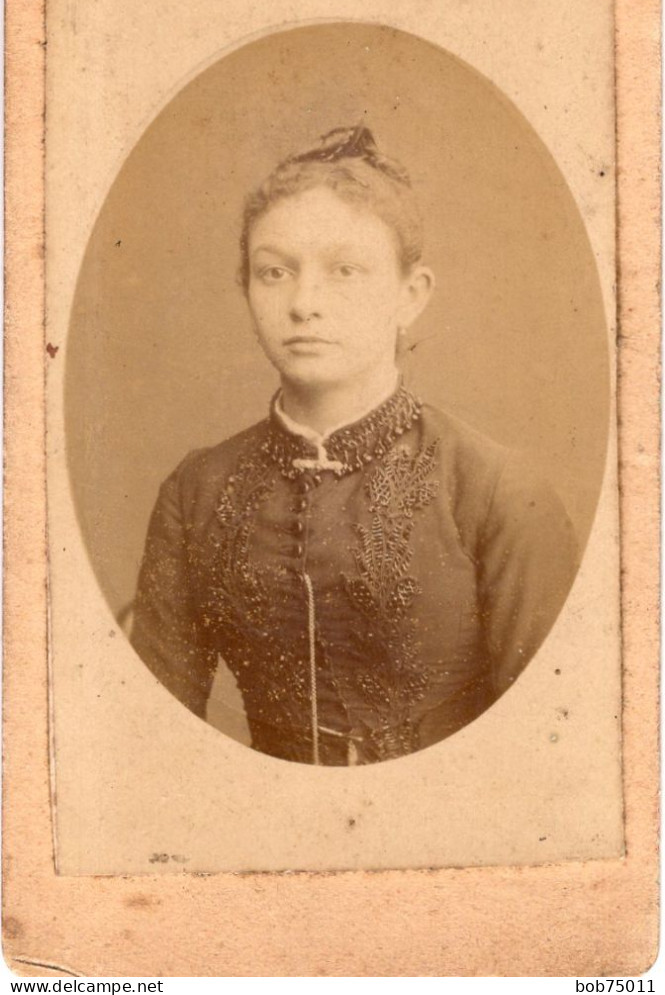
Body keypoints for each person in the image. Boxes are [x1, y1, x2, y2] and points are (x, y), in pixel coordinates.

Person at [130, 125, 578, 766]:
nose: (304, 303)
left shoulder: (494, 489)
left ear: (410, 294)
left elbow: (551, 751)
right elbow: (155, 745)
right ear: (247, 289)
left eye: (345, 270)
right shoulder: (196, 491)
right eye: (275, 271)